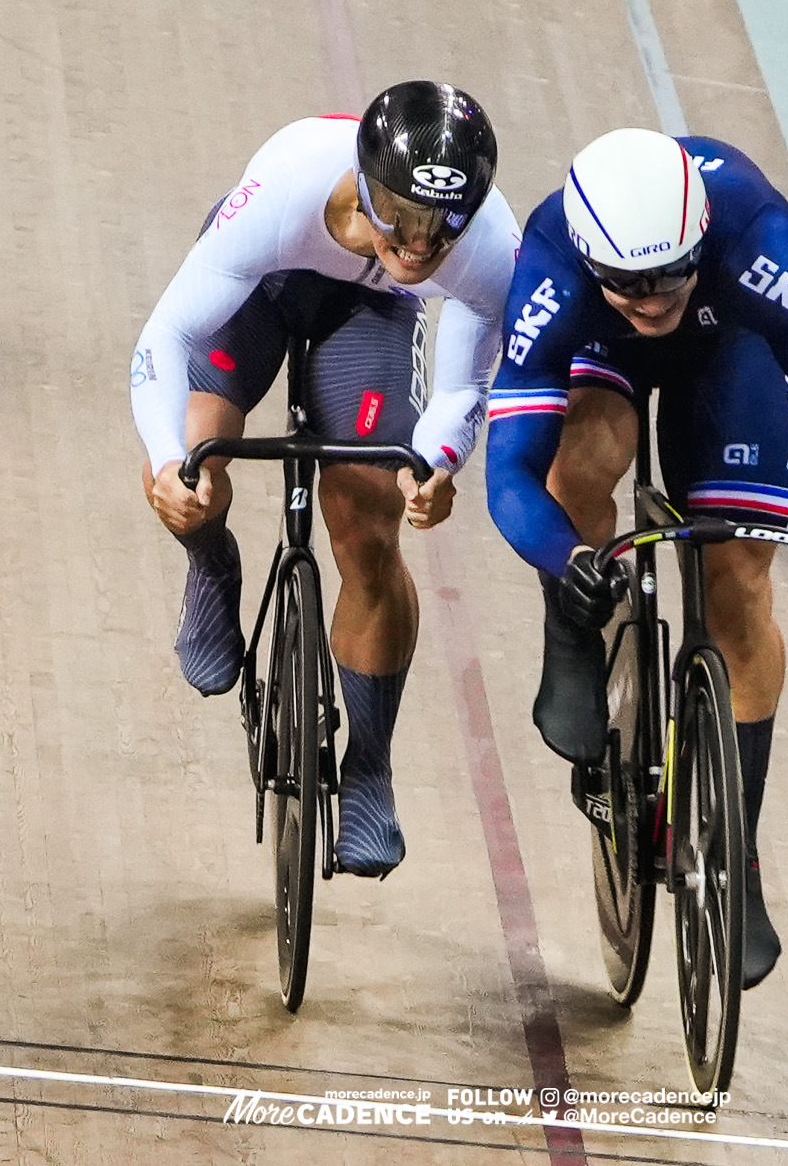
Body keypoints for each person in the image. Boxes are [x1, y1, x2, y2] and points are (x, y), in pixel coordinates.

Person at [485, 128, 788, 984]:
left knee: (738, 580)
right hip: (602, 362)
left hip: (729, 345)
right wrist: (569, 565)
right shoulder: (554, 266)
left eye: (671, 273)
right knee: (584, 460)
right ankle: (576, 635)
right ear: (592, 262)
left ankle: (736, 856)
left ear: (699, 240)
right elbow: (511, 476)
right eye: (629, 284)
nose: (651, 298)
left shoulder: (753, 242)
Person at [130, 81, 518, 878]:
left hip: (373, 318)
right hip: (265, 286)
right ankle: (212, 564)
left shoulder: (488, 246)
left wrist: (441, 464)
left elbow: (464, 388)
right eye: (398, 217)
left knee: (370, 519)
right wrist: (171, 462)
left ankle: (369, 766)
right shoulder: (288, 188)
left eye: (438, 228)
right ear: (362, 180)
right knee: (195, 454)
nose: (414, 246)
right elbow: (166, 334)